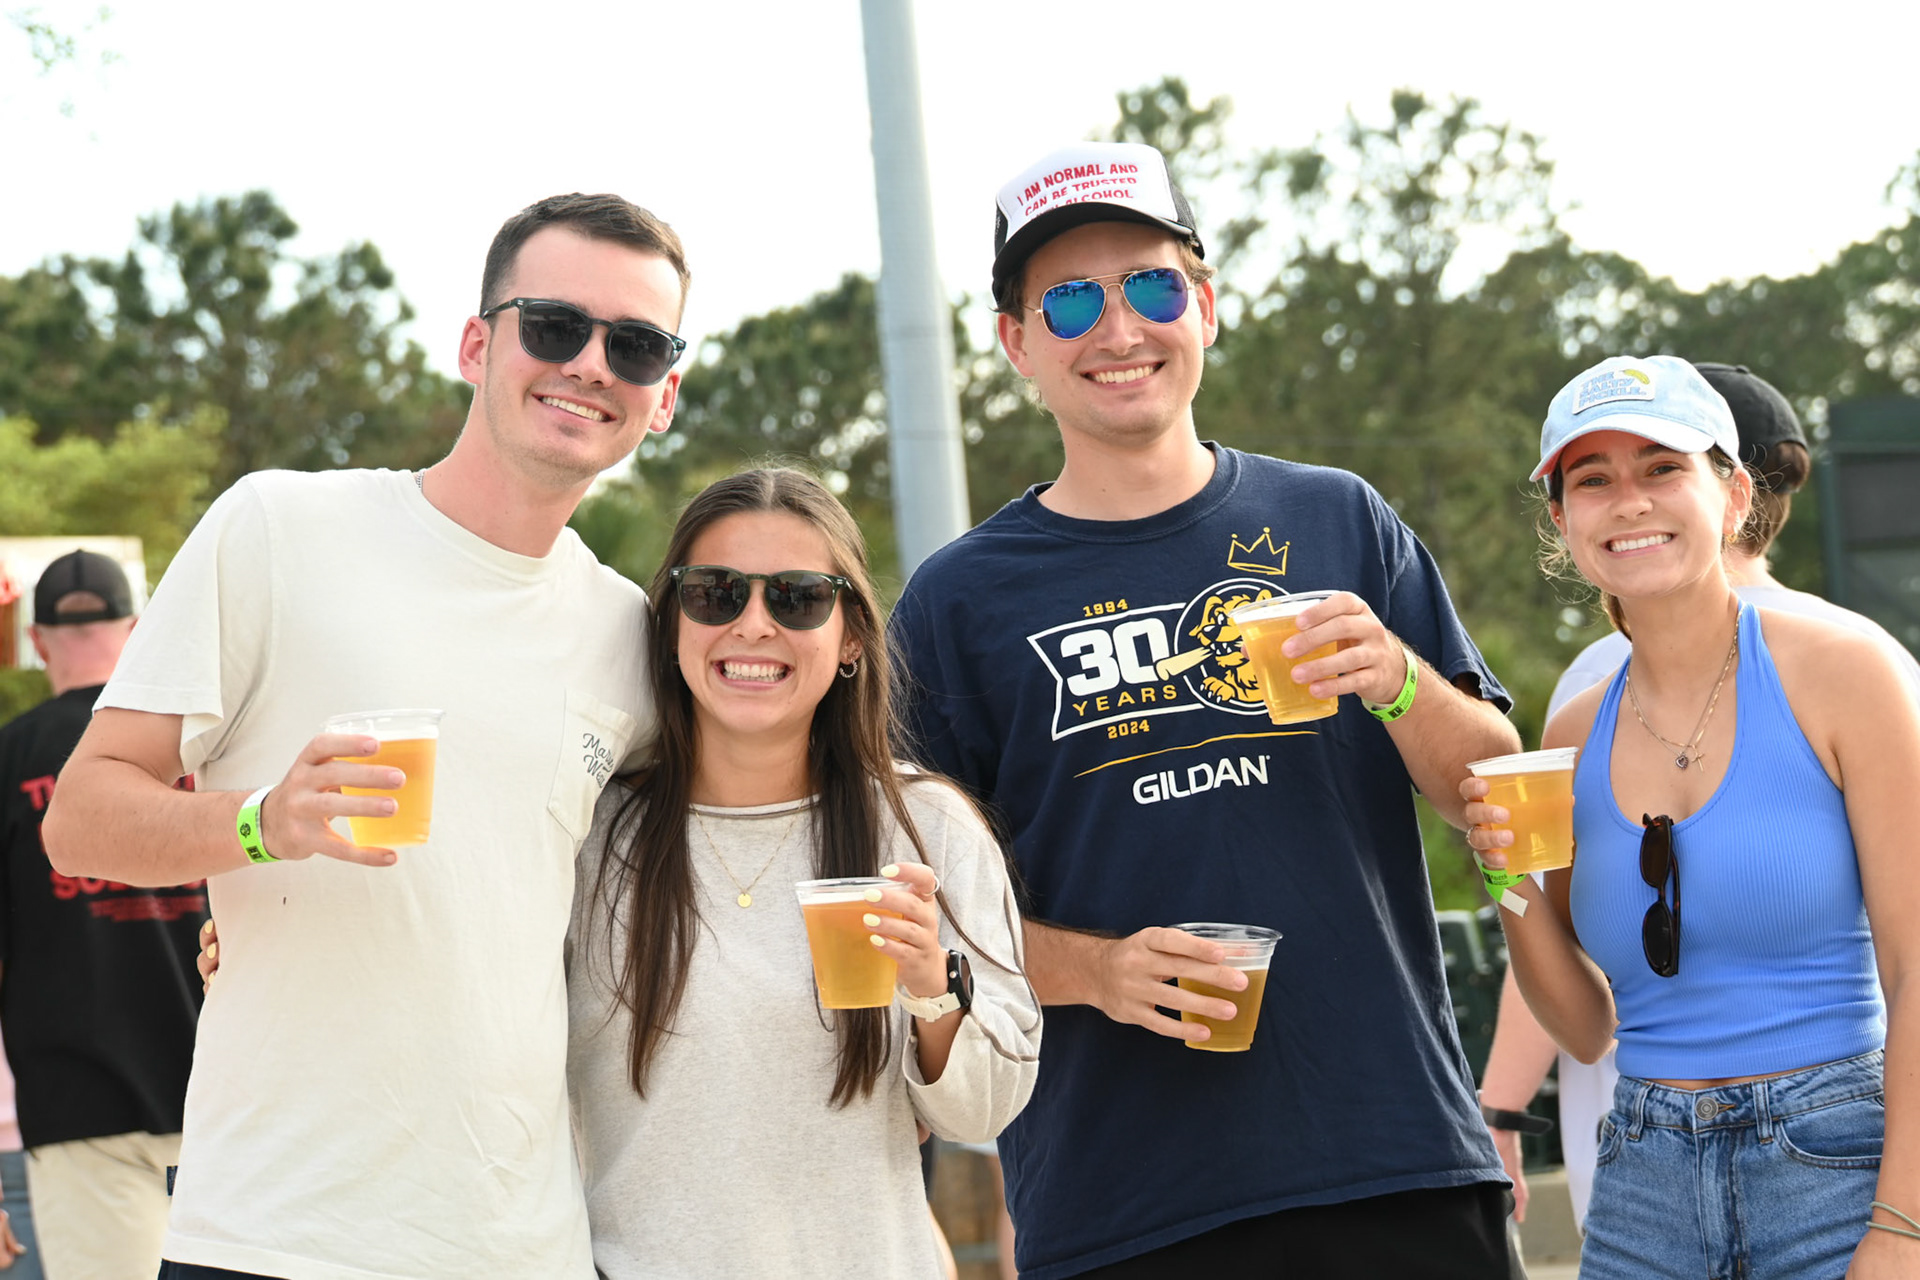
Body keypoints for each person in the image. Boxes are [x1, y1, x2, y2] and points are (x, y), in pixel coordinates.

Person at [890, 140, 1524, 1278]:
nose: (1118, 328)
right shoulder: (955, 602)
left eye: (1152, 286)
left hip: (1396, 1159)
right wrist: (1100, 971)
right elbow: (923, 916)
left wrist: (1398, 678)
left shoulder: (1340, 518)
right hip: (1119, 1203)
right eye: (1071, 300)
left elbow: (1496, 788)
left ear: (1208, 307)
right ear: (1017, 343)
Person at [41, 193, 685, 1278]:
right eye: (553, 325)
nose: (589, 363)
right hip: (271, 1234)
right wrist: (259, 826)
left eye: (635, 344)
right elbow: (81, 818)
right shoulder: (278, 528)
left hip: (521, 1247)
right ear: (477, 345)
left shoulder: (630, 635)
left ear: (663, 396)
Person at [1463, 355, 1920, 1278]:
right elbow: (1587, 1030)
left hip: (1837, 1161)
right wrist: (1507, 879)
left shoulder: (1845, 673)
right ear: (1563, 522)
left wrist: (1903, 1225)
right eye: (1593, 480)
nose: (1628, 501)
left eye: (1662, 467)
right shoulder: (1571, 731)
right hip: (1642, 1173)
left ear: (1734, 492)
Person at [566, 467, 1039, 1276]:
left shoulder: (925, 827)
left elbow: (985, 1111)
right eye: (715, 593)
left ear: (851, 636)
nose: (753, 625)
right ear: (672, 621)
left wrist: (931, 985)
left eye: (797, 598)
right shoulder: (593, 833)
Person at [0, 550, 206, 1277]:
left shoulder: (9, 756)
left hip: (79, 1113)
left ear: (37, 641)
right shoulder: (199, 748)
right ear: (137, 629)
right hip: (226, 1098)